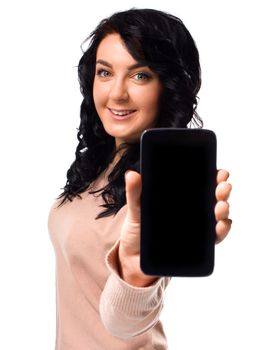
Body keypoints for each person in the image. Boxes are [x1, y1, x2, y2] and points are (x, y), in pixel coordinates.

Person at [48, 8, 232, 350]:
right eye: (105, 72)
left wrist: (135, 274)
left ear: (169, 85)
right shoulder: (98, 165)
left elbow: (123, 323)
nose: (116, 93)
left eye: (140, 76)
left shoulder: (159, 186)